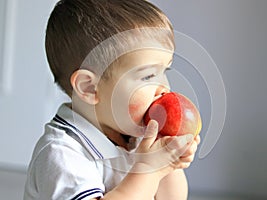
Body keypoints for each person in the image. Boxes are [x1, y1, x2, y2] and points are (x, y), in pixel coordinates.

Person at [24, 0, 200, 199]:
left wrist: (168, 165)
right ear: (90, 88)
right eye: (148, 76)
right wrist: (148, 169)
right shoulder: (61, 153)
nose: (165, 88)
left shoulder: (134, 136)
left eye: (164, 71)